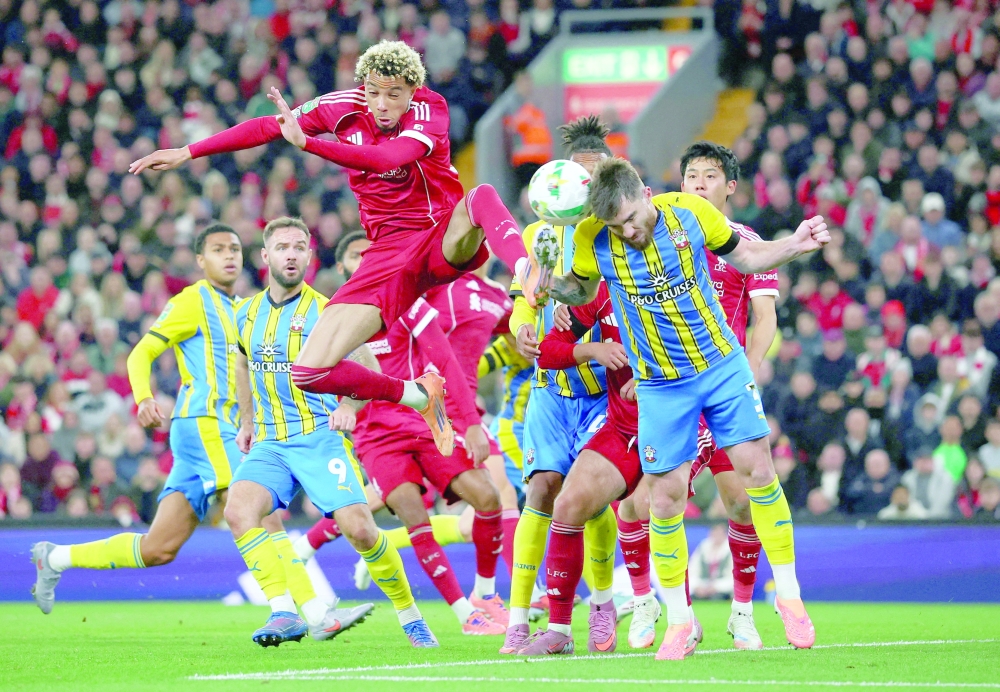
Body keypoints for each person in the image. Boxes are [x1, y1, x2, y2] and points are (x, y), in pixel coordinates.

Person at [129, 41, 552, 457]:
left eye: (394, 94)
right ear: (363, 86)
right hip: (387, 253)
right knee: (309, 371)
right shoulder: (341, 105)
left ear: (412, 90)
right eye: (373, 92)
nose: (382, 104)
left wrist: (309, 144)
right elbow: (267, 126)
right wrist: (189, 151)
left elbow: (386, 159)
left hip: (440, 233)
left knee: (479, 197)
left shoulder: (431, 108)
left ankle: (524, 268)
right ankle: (419, 394)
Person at [543, 155, 829, 659]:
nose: (628, 231)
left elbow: (745, 259)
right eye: (617, 225)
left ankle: (789, 598)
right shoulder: (593, 238)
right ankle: (679, 621)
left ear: (646, 194)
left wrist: (795, 245)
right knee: (665, 498)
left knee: (756, 472)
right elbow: (580, 291)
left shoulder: (691, 214)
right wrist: (549, 282)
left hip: (720, 365)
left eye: (633, 217)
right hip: (659, 385)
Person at [31, 225, 294, 614]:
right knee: (256, 505)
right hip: (205, 422)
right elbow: (140, 353)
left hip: (219, 431)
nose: (229, 256)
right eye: (218, 249)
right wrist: (143, 398)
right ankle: (304, 609)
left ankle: (54, 558)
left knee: (159, 548)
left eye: (235, 249)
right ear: (201, 261)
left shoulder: (243, 308)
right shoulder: (192, 301)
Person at [225, 217, 435, 648]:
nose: (291, 254)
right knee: (238, 510)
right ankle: (283, 610)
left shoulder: (329, 311)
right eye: (282, 247)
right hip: (270, 441)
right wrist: (247, 420)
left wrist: (349, 404)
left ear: (309, 256)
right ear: (265, 256)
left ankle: (409, 613)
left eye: (299, 247)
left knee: (360, 530)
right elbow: (243, 364)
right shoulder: (245, 312)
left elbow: (371, 368)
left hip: (318, 437)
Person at [324, 232, 507, 636]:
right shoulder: (334, 315)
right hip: (377, 436)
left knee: (489, 497)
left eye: (367, 254)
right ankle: (465, 616)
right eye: (354, 256)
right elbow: (322, 371)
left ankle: (486, 592)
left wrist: (472, 424)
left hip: (427, 420)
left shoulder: (407, 303)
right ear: (342, 268)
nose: (362, 262)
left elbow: (446, 361)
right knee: (415, 517)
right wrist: (344, 408)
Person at [501, 116, 613, 655]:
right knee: (540, 489)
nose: (582, 190)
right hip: (551, 385)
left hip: (603, 387)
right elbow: (526, 296)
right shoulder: (538, 235)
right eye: (576, 177)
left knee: (587, 498)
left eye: (593, 180)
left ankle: (603, 604)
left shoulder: (621, 237)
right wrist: (520, 325)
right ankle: (518, 618)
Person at [679, 141, 780, 651]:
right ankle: (682, 617)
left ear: (730, 186)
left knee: (740, 503)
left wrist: (749, 375)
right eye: (691, 175)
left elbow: (764, 318)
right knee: (648, 501)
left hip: (723, 392)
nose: (699, 183)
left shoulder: (748, 243)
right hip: (671, 389)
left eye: (710, 175)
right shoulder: (657, 237)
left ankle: (742, 611)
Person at [515, 279, 644, 656]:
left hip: (678, 414)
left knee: (659, 506)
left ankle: (691, 615)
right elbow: (548, 351)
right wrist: (591, 348)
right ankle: (559, 630)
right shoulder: (603, 291)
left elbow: (704, 346)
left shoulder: (677, 288)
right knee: (567, 505)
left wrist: (657, 377)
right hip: (625, 425)